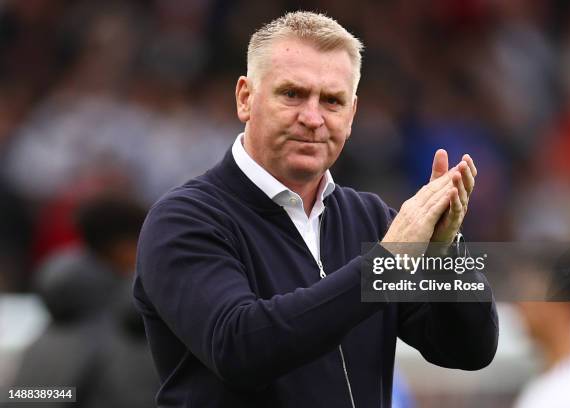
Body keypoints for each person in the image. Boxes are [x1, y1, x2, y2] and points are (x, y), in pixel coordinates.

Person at [134, 11, 498, 408]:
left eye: (332, 101)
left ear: (352, 115)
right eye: (292, 94)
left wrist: (442, 254)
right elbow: (239, 348)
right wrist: (383, 266)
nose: (312, 118)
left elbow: (468, 351)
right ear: (245, 98)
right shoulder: (183, 219)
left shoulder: (371, 219)